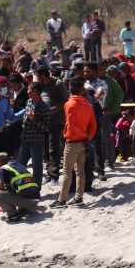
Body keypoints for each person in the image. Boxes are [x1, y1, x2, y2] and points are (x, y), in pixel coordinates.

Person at [50, 77, 96, 208]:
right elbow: (93, 125)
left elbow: (71, 124)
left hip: (72, 142)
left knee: (67, 172)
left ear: (70, 89)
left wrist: (75, 135)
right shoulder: (88, 105)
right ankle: (78, 198)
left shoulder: (69, 104)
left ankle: (62, 200)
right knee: (80, 172)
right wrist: (88, 138)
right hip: (84, 142)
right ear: (82, 89)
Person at [0, 152, 40, 222]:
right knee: (13, 187)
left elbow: (0, 184)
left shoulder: (4, 169)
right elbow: (14, 179)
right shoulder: (17, 165)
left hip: (26, 201)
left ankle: (13, 214)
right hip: (35, 199)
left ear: (1, 162)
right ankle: (23, 210)